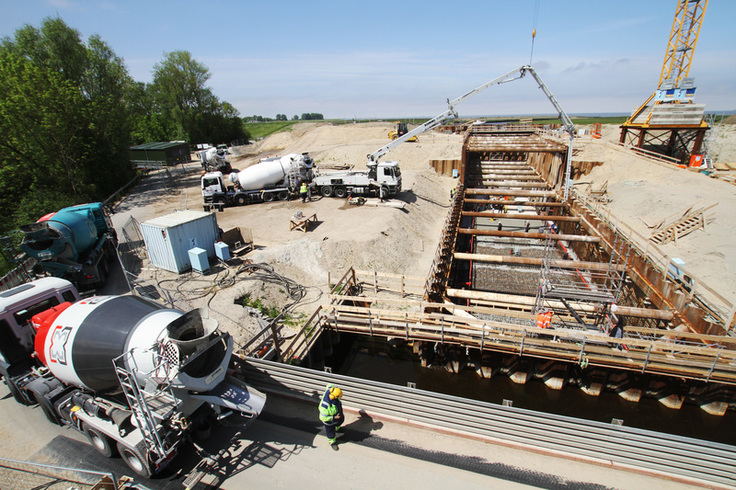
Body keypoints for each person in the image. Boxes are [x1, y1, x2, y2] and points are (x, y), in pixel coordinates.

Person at [319, 384, 345, 451]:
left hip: (337, 415)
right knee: (330, 432)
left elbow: (329, 385)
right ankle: (332, 442)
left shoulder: (330, 390)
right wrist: (333, 418)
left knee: (341, 420)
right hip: (330, 421)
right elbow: (322, 418)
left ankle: (337, 428)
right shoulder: (324, 407)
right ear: (334, 396)